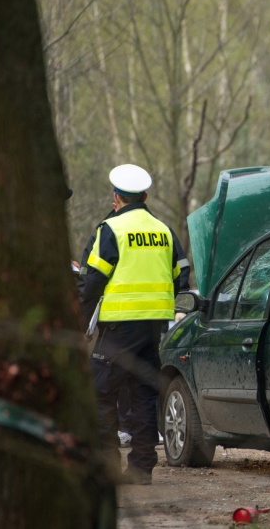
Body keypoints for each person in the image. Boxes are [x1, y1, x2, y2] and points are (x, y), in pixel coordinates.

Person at [81, 164, 190, 485]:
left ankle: (107, 466)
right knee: (143, 394)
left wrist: (80, 316)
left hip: (118, 328)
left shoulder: (110, 230)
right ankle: (142, 468)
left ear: (116, 197)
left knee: (100, 392)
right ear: (145, 196)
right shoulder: (164, 230)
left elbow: (92, 282)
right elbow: (181, 277)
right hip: (153, 328)